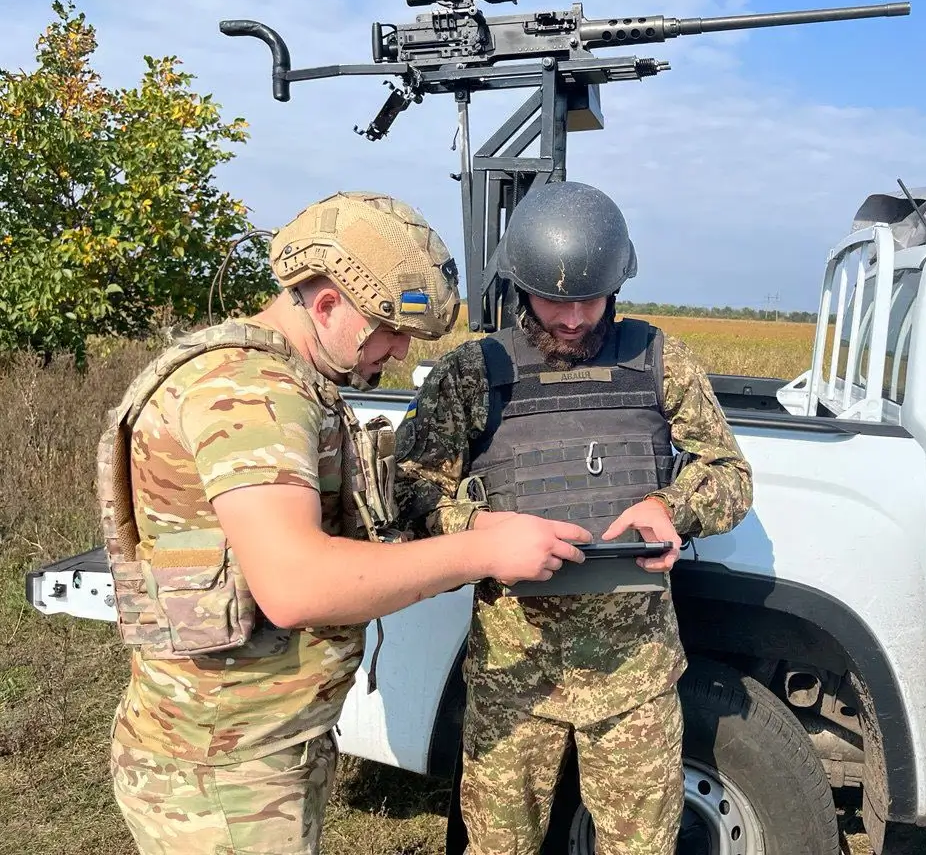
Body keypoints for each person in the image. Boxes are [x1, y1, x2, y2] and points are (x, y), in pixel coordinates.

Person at [101, 191, 591, 855]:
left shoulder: (285, 381)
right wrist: (485, 551)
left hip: (256, 743)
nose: (393, 355)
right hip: (225, 770)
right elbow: (297, 584)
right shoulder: (252, 395)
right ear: (328, 303)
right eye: (388, 331)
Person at [394, 180, 754, 855]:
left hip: (634, 675)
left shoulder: (658, 361)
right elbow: (409, 496)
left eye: (590, 298)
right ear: (520, 287)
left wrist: (671, 506)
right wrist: (477, 533)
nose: (572, 317)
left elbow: (730, 476)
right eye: (554, 299)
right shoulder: (472, 373)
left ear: (617, 286)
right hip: (513, 675)